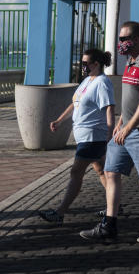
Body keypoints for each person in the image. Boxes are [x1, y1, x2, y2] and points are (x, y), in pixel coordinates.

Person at [81, 21, 139, 244]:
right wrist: (121, 123)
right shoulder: (130, 63)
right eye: (120, 39)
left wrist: (129, 128)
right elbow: (131, 99)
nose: (120, 43)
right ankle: (109, 225)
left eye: (124, 39)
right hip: (126, 131)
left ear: (138, 40)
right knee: (111, 172)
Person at [39, 48, 115, 225]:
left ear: (96, 64)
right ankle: (115, 206)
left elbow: (109, 108)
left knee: (76, 172)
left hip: (93, 136)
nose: (82, 67)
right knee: (101, 171)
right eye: (82, 63)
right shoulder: (87, 81)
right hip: (85, 136)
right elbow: (75, 103)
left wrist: (110, 133)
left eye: (85, 63)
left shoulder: (102, 83)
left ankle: (60, 212)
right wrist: (59, 120)